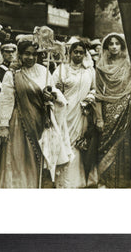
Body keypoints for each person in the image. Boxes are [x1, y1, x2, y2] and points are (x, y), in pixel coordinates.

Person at [0, 39, 70, 188]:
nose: (30, 58)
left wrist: (52, 96)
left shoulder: (44, 71)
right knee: (20, 158)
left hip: (40, 120)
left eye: (34, 54)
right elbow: (6, 100)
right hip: (20, 122)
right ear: (20, 54)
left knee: (39, 158)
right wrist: (4, 125)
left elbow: (53, 92)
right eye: (27, 54)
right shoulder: (12, 74)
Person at [52, 41, 97, 188]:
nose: (78, 55)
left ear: (85, 54)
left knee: (77, 144)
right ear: (70, 53)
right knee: (64, 142)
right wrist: (57, 92)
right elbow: (51, 89)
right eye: (75, 52)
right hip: (64, 111)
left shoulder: (89, 71)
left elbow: (95, 89)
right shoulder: (61, 70)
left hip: (81, 112)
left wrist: (89, 99)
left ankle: (76, 181)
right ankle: (62, 181)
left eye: (81, 52)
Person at [95, 33, 131, 188]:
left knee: (122, 143)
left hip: (125, 107)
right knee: (106, 143)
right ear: (106, 47)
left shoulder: (129, 65)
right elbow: (98, 94)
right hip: (107, 109)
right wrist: (99, 118)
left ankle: (121, 181)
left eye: (117, 43)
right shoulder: (100, 67)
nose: (114, 47)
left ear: (122, 46)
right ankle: (104, 180)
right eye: (110, 44)